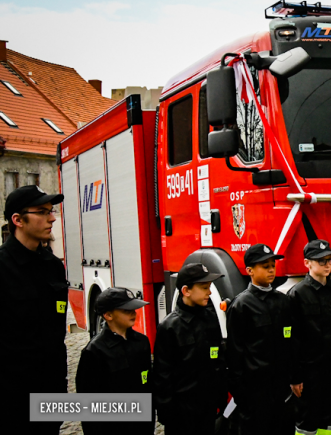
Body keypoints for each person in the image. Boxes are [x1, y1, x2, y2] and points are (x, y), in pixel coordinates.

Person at [1, 185, 67, 435]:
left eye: (52, 211)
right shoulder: (3, 268)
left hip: (50, 393)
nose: (52, 218)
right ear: (18, 220)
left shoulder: (52, 265)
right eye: (42, 211)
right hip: (12, 401)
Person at [226, 244, 294, 435]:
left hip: (280, 389)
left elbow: (290, 343)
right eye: (265, 266)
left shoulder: (283, 302)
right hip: (255, 391)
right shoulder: (241, 306)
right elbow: (235, 353)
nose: (271, 269)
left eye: (273, 265)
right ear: (250, 270)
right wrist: (241, 394)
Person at [153, 263, 226, 435]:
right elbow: (162, 375)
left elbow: (219, 361)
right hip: (181, 413)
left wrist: (220, 398)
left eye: (209, 287)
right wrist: (166, 411)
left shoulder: (210, 319)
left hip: (207, 409)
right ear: (186, 291)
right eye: (204, 287)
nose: (209, 292)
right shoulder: (169, 327)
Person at [289, 239, 331, 435]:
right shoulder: (297, 295)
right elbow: (293, 340)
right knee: (307, 418)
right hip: (309, 371)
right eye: (321, 260)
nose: (327, 264)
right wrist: (295, 377)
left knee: (329, 418)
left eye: (329, 260)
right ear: (307, 263)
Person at [76, 287, 154, 434]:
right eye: (126, 310)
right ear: (108, 315)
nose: (133, 313)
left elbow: (147, 385)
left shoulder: (141, 342)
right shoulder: (94, 351)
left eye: (134, 308)